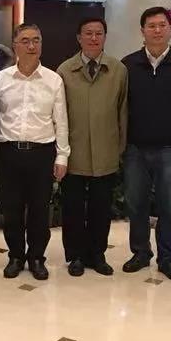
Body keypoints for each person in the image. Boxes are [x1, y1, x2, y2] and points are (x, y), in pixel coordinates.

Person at [121, 6, 171, 282]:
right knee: (136, 205)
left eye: (162, 25)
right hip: (135, 148)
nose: (157, 30)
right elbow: (121, 108)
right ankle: (141, 252)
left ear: (170, 29)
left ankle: (168, 258)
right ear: (142, 31)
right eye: (151, 26)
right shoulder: (129, 65)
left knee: (169, 207)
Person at [0, 23, 70, 280]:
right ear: (15, 45)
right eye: (25, 40)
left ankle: (37, 257)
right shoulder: (1, 79)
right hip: (8, 152)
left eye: (36, 40)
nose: (31, 45)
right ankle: (15, 255)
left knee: (39, 209)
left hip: (42, 153)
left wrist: (62, 156)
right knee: (11, 209)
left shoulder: (53, 79)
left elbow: (61, 121)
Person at [56, 17, 127, 277]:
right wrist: (60, 153)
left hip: (106, 151)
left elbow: (123, 112)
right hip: (74, 152)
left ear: (105, 37)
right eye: (88, 33)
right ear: (79, 38)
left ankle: (97, 254)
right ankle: (75, 255)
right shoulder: (64, 71)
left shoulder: (118, 70)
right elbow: (58, 115)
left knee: (101, 208)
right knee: (73, 208)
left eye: (99, 33)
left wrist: (119, 148)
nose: (94, 38)